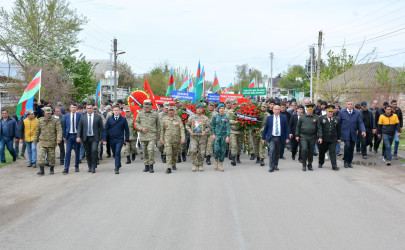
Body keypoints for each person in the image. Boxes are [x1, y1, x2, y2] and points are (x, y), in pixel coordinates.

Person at [33, 107, 62, 175]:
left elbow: (59, 130)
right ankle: (41, 170)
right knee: (41, 157)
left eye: (49, 113)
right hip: (42, 142)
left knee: (52, 157)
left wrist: (59, 139)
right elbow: (37, 131)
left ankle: (51, 169)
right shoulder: (40, 120)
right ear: (44, 113)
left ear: (51, 113)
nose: (48, 114)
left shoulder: (55, 121)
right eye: (47, 113)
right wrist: (35, 140)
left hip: (51, 142)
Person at [262, 105, 290, 172]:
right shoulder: (269, 118)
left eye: (278, 109)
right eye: (275, 109)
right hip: (272, 138)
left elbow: (286, 128)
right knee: (271, 151)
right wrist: (263, 138)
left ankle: (275, 165)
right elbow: (265, 129)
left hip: (280, 138)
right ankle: (271, 166)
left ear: (280, 110)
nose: (277, 111)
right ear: (273, 110)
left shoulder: (283, 118)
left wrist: (287, 137)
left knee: (277, 152)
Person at [77, 103, 104, 173]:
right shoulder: (83, 117)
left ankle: (94, 166)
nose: (89, 110)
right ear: (86, 109)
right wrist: (78, 136)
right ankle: (90, 166)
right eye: (87, 108)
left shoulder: (97, 117)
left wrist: (102, 137)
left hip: (95, 137)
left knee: (94, 151)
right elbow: (80, 127)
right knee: (88, 153)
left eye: (90, 108)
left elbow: (101, 128)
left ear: (92, 109)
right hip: (86, 138)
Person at [338, 101, 366, 168]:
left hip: (353, 133)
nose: (350, 105)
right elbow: (338, 123)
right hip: (345, 132)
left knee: (351, 148)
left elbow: (360, 123)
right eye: (348, 104)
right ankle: (345, 161)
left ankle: (349, 162)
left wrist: (363, 130)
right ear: (346, 105)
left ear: (353, 106)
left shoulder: (356, 113)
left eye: (351, 104)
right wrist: (338, 134)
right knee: (347, 145)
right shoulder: (341, 112)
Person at [135, 99, 160, 173]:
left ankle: (151, 165)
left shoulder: (155, 114)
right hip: (143, 135)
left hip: (152, 135)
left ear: (150, 106)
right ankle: (146, 166)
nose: (146, 108)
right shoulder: (140, 113)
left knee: (150, 149)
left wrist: (158, 135)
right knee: (145, 151)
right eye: (145, 107)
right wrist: (141, 128)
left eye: (148, 107)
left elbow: (158, 125)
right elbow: (136, 123)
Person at [103, 106, 129, 174]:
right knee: (114, 153)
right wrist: (104, 139)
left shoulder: (123, 119)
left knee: (117, 152)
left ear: (119, 111)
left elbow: (127, 130)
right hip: (112, 139)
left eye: (117, 110)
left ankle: (116, 168)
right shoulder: (109, 119)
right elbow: (106, 129)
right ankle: (119, 163)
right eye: (115, 110)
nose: (116, 111)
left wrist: (127, 139)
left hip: (120, 139)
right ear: (113, 111)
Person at [295, 104, 322, 171]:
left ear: (313, 110)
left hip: (312, 136)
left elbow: (319, 128)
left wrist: (320, 137)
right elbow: (298, 127)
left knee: (310, 151)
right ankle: (304, 164)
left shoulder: (316, 118)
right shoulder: (302, 117)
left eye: (311, 110)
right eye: (309, 110)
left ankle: (309, 164)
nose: (310, 111)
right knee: (304, 149)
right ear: (306, 110)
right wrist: (297, 135)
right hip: (304, 136)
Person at [160, 105, 186, 174]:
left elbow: (182, 128)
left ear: (174, 111)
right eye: (169, 110)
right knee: (168, 153)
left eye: (172, 110)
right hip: (167, 139)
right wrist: (161, 139)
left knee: (175, 153)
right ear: (168, 111)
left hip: (176, 139)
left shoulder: (178, 119)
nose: (171, 111)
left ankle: (174, 164)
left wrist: (183, 137)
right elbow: (162, 130)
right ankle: (168, 167)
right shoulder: (164, 119)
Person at [186, 104, 210, 172]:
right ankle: (194, 164)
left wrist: (205, 131)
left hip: (202, 137)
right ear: (195, 110)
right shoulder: (192, 117)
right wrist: (190, 131)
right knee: (193, 150)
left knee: (202, 152)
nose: (199, 110)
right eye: (198, 108)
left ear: (202, 110)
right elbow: (187, 125)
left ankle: (200, 165)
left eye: (200, 108)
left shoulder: (205, 118)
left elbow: (209, 127)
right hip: (194, 137)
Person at [318, 105, 341, 170]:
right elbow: (319, 128)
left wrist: (338, 138)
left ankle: (334, 165)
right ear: (326, 111)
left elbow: (338, 129)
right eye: (329, 111)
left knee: (332, 152)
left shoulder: (336, 119)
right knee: (322, 151)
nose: (330, 113)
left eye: (331, 112)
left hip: (332, 139)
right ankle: (320, 162)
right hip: (324, 139)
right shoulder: (321, 118)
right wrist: (320, 137)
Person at [62, 103, 81, 174]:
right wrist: (64, 136)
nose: (73, 108)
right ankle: (66, 168)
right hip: (69, 136)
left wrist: (80, 136)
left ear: (76, 108)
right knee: (68, 152)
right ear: (70, 108)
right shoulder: (66, 116)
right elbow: (64, 126)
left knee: (77, 151)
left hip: (76, 135)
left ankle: (76, 166)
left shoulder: (79, 115)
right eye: (72, 107)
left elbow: (80, 126)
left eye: (74, 107)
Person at [211, 103, 230, 172]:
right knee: (216, 149)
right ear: (218, 109)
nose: (222, 109)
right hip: (217, 135)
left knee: (222, 150)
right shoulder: (215, 117)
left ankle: (221, 164)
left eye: (223, 108)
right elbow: (212, 126)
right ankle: (216, 160)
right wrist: (213, 134)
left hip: (224, 136)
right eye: (220, 108)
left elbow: (228, 127)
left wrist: (227, 136)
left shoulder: (226, 118)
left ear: (224, 109)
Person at [228, 99, 243, 165]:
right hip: (232, 131)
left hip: (240, 131)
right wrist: (234, 122)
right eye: (233, 104)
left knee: (239, 145)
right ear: (232, 105)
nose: (234, 105)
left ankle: (238, 157)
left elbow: (244, 119)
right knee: (233, 145)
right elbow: (227, 120)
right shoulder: (229, 112)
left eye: (235, 104)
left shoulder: (241, 111)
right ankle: (233, 159)